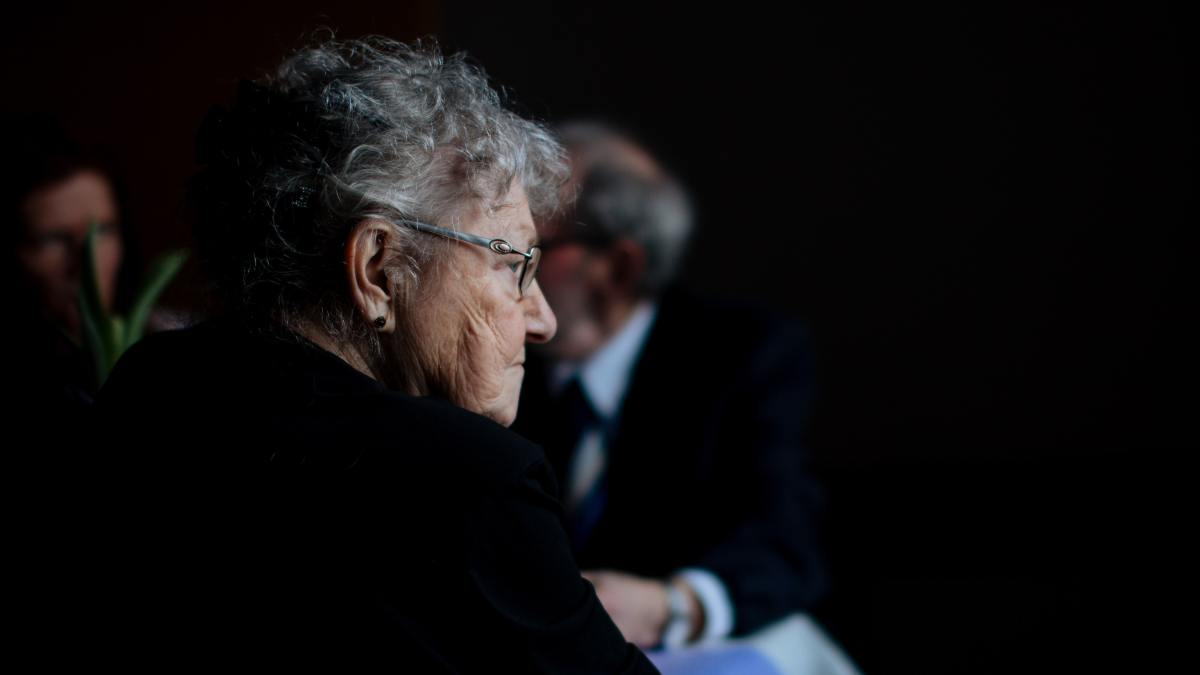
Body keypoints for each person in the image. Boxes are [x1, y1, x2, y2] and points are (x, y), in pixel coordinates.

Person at [83, 37, 658, 672]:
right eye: (513, 266)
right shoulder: (470, 480)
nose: (542, 319)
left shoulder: (152, 382)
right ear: (379, 268)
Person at [512, 122, 828, 651]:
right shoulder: (491, 361)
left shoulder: (744, 355)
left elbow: (788, 542)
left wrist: (672, 606)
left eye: (534, 244)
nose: (512, 267)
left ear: (618, 268)